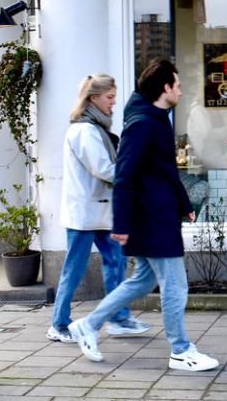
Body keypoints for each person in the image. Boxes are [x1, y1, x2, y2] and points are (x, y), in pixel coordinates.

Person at [69, 60, 219, 372]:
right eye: (176, 84)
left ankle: (88, 324)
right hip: (150, 219)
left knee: (142, 280)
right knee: (175, 285)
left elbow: (164, 170)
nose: (180, 89)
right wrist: (122, 224)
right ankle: (181, 351)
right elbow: (124, 175)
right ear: (165, 88)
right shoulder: (143, 124)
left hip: (158, 214)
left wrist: (184, 203)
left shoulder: (157, 118)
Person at [47, 74, 151, 343]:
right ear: (93, 98)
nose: (113, 103)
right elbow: (103, 169)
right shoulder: (85, 131)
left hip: (100, 211)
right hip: (85, 214)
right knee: (75, 268)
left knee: (115, 263)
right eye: (109, 97)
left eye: (114, 97)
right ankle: (59, 324)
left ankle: (118, 319)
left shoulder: (95, 128)